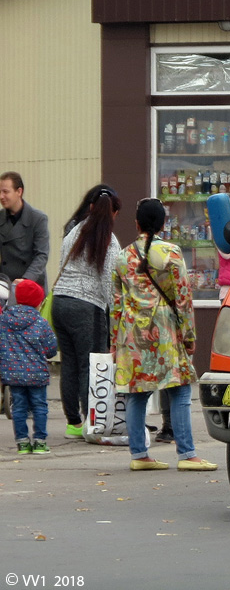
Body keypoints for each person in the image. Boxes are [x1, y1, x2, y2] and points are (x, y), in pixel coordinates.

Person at [110, 198, 217, 472]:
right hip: (165, 331)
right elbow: (182, 297)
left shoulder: (122, 257)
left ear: (136, 223)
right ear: (163, 224)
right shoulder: (171, 252)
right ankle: (187, 454)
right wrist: (189, 335)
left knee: (137, 394)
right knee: (179, 390)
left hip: (132, 333)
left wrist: (114, 341)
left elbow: (116, 304)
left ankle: (139, 455)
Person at [51, 185, 122, 440]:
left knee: (68, 364)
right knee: (89, 366)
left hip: (60, 303)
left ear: (91, 207)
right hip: (86, 306)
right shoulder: (109, 241)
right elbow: (108, 284)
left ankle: (72, 423)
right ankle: (91, 422)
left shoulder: (73, 232)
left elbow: (61, 264)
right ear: (113, 213)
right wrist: (115, 321)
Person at [0, 279, 58, 454]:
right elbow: (51, 348)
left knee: (18, 407)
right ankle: (40, 441)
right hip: (37, 374)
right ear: (38, 301)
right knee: (39, 406)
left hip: (13, 373)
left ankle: (22, 442)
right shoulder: (40, 322)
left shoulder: (4, 320)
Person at [0, 172, 50, 290]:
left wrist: (27, 280)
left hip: (31, 286)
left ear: (19, 191)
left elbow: (41, 255)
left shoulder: (37, 218)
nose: (1, 196)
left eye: (6, 192)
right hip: (5, 286)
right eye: (0, 192)